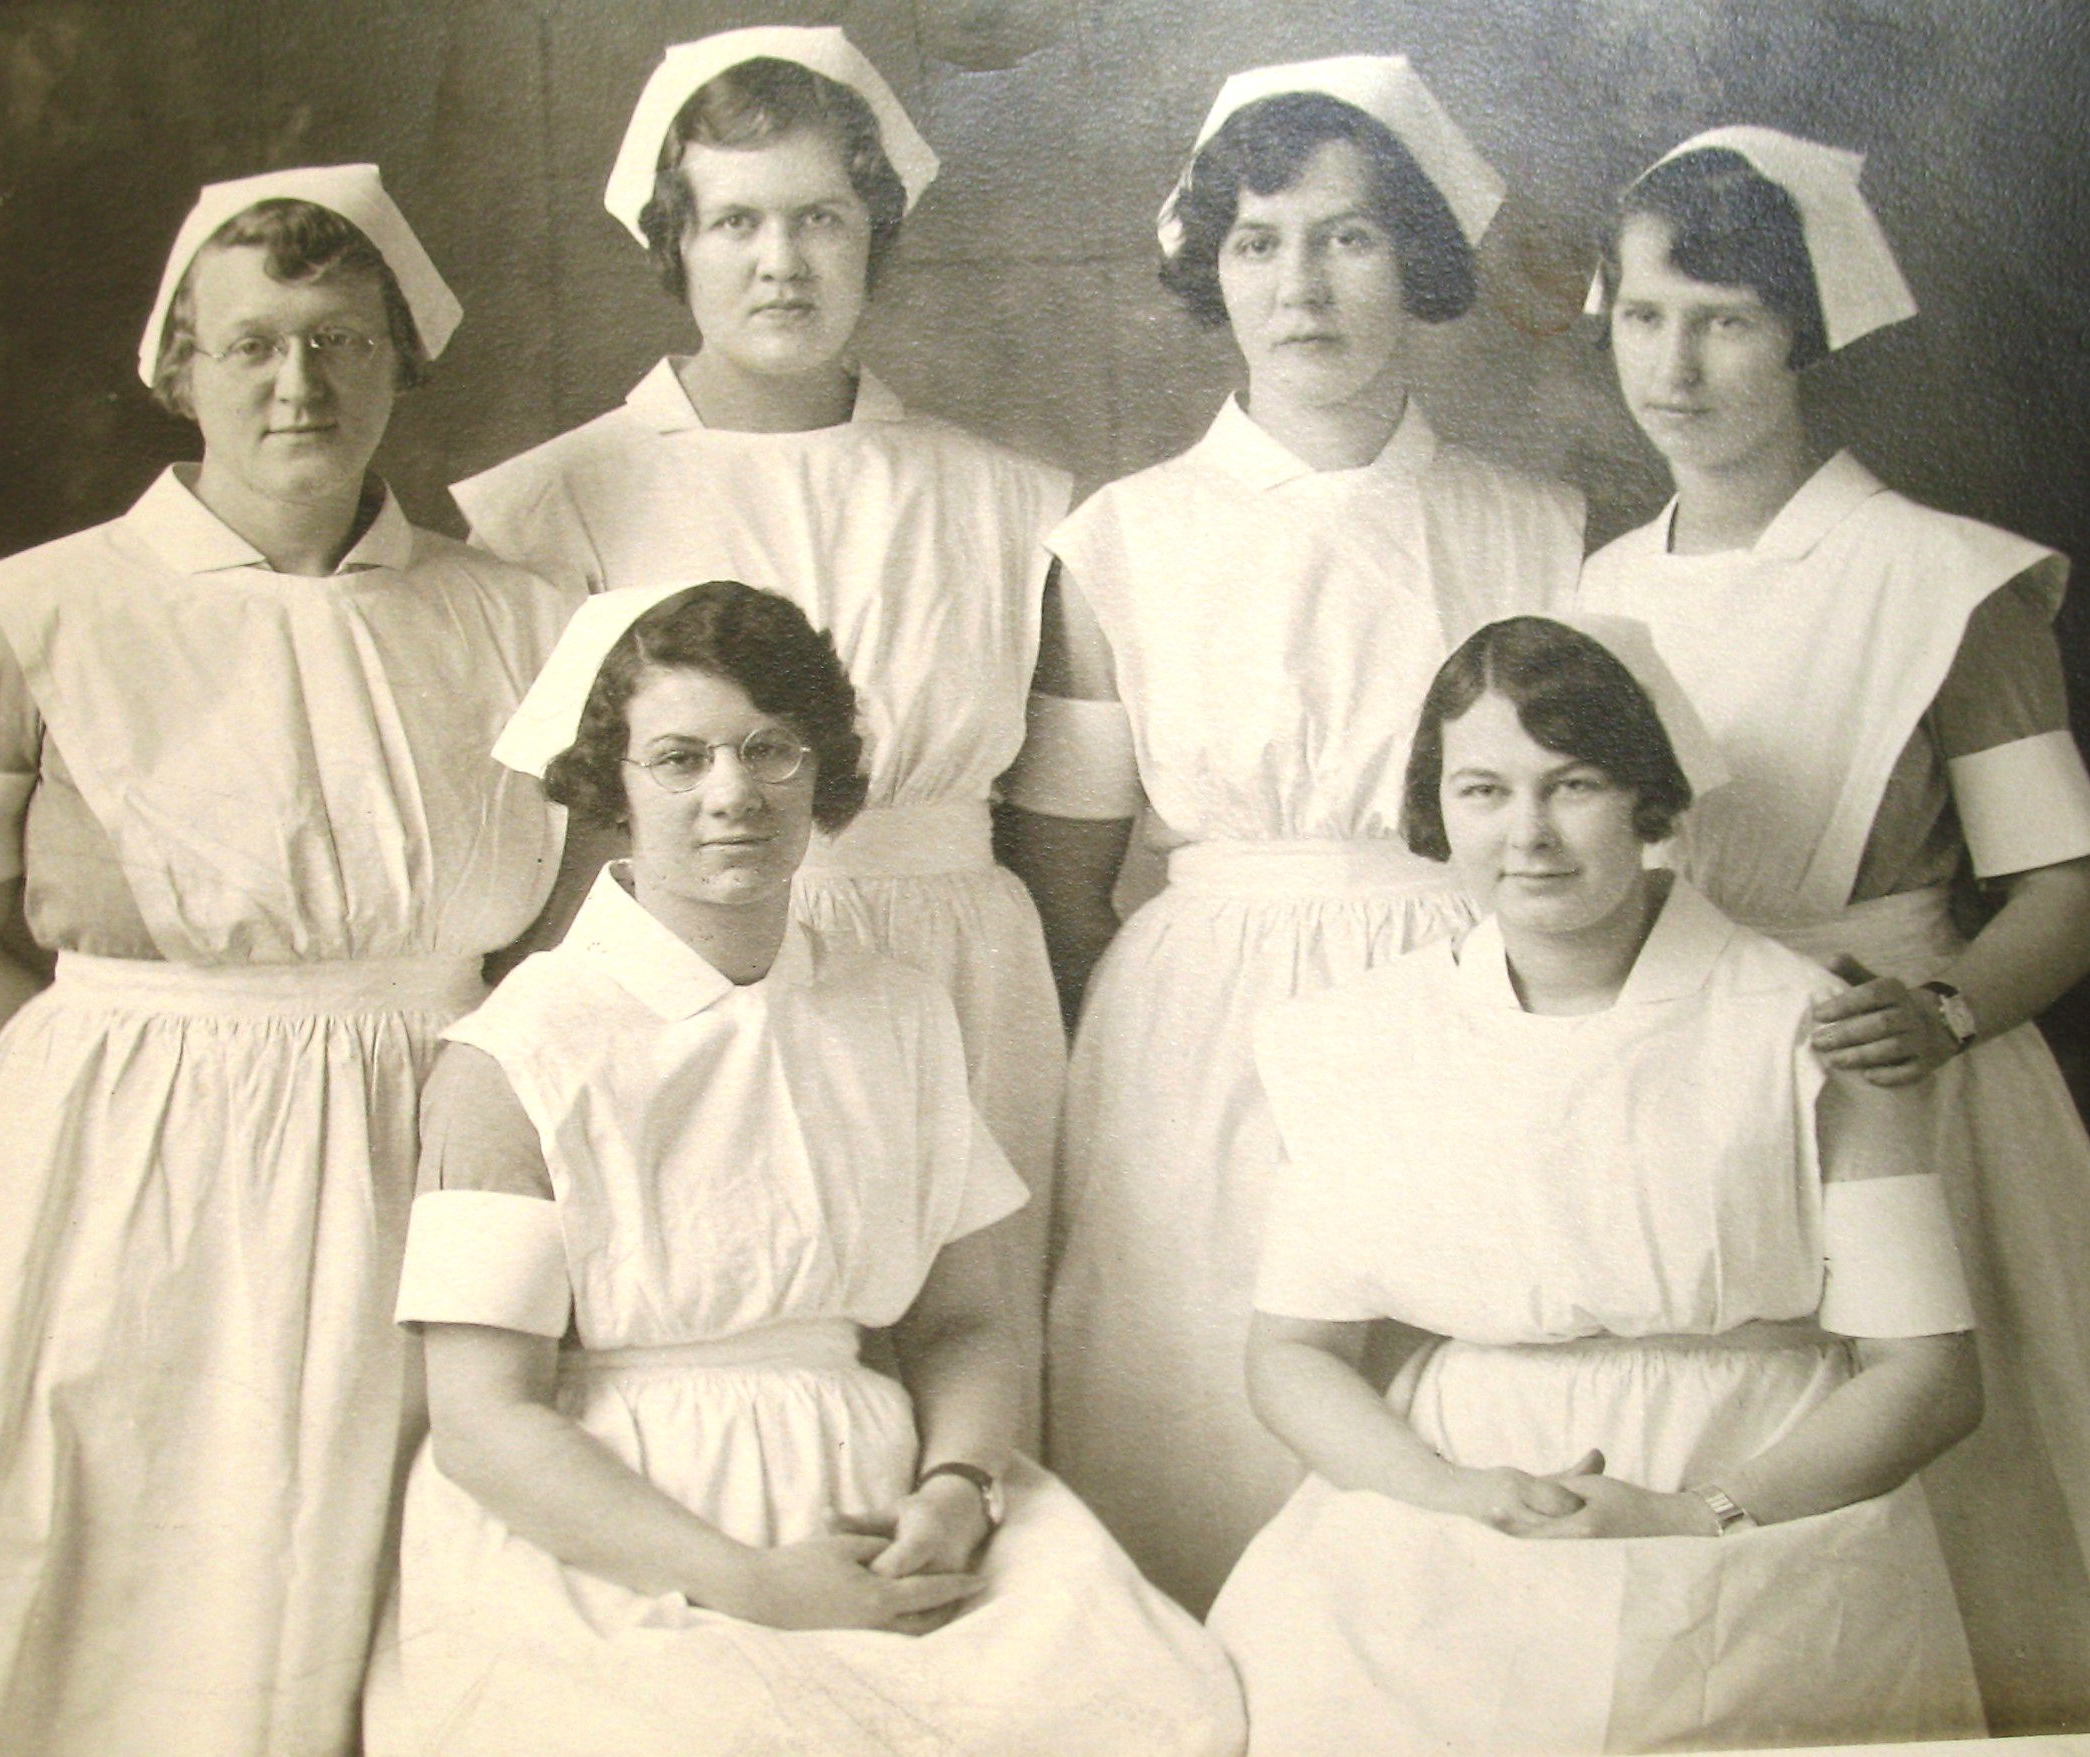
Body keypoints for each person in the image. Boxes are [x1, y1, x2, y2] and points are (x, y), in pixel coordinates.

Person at [0, 168, 568, 1757]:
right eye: (253, 343)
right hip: (125, 1162)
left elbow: (556, 929)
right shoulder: (32, 620)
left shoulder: (526, 620)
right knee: (102, 1552)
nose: (298, 384)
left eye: (342, 340)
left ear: (403, 359)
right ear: (176, 365)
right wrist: (129, 1122)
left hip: (428, 1139)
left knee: (377, 1551)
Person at [361, 581, 1244, 1757]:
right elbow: (484, 1422)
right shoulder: (520, 1048)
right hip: (619, 1539)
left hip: (882, 1502)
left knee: (1159, 1707)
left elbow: (968, 1322)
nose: (733, 794)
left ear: (820, 770)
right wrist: (751, 1583)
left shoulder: (895, 1010)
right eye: (678, 758)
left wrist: (958, 1486)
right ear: (609, 785)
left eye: (770, 749)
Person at [1575, 127, 2090, 1732]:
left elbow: (2071, 896)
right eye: (1648, 316)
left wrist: (1937, 1009)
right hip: (1678, 1094)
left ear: (1804, 331)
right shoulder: (1589, 586)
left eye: (1725, 318)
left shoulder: (1940, 579)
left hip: (1908, 1078)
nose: (1681, 361)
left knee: (1968, 1508)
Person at [1000, 54, 1584, 1612]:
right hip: (1197, 1038)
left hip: (1468, 1011)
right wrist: (1177, 1042)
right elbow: (1065, 881)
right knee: (1189, 1409)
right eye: (1256, 241)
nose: (1300, 284)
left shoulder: (1538, 529)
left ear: (1421, 260)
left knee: (1445, 1438)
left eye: (1348, 237)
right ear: (1211, 265)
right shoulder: (1117, 539)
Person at [1209, 615, 1986, 1754]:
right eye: (1483, 789)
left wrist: (1697, 1517)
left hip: (1759, 1501)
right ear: (1438, 807)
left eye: (1572, 784)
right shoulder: (1351, 1038)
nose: (1528, 834)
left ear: (1649, 801)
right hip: (1451, 1509)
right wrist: (1450, 1496)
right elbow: (1293, 1352)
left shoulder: (1818, 1024)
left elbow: (1932, 1376)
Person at [452, 28, 1070, 1375]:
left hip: (965, 977)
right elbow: (541, 851)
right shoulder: (546, 506)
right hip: (683, 1000)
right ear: (675, 241)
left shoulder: (1007, 499)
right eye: (734, 221)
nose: (779, 262)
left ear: (873, 235)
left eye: (819, 218)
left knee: (974, 1349)